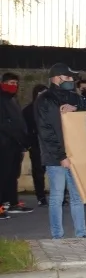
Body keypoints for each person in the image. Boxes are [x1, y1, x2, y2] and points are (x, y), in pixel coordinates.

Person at [35, 63, 86, 238]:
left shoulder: (75, 98)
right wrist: (61, 156)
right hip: (55, 157)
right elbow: (46, 133)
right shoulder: (44, 100)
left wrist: (76, 109)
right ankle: (57, 236)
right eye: (68, 77)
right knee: (57, 197)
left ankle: (81, 233)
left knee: (77, 196)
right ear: (57, 78)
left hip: (75, 154)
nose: (71, 80)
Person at [1, 72, 31, 217]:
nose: (14, 86)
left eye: (16, 83)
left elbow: (18, 122)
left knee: (12, 175)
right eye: (11, 83)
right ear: (3, 83)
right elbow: (4, 124)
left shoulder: (13, 100)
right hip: (4, 144)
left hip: (15, 144)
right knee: (2, 174)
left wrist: (23, 140)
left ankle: (12, 202)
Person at [22, 84, 48, 206]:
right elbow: (24, 129)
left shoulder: (51, 108)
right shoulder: (28, 110)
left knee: (56, 171)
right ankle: (41, 196)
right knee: (38, 172)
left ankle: (60, 196)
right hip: (36, 144)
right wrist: (29, 145)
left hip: (50, 144)